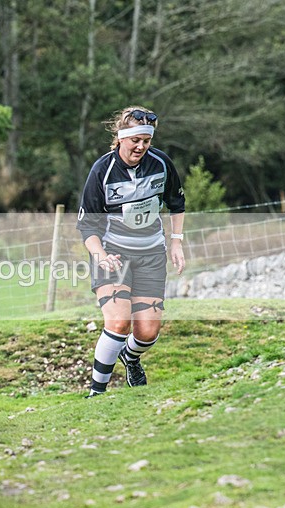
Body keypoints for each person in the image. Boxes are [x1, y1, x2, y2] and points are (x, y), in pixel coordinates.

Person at [76, 106, 185, 397]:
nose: (141, 146)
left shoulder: (161, 163)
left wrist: (176, 241)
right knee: (119, 321)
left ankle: (131, 357)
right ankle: (96, 393)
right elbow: (87, 227)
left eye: (146, 141)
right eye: (135, 140)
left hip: (150, 254)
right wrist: (100, 255)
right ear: (120, 138)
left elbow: (177, 203)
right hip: (112, 254)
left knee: (148, 332)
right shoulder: (102, 170)